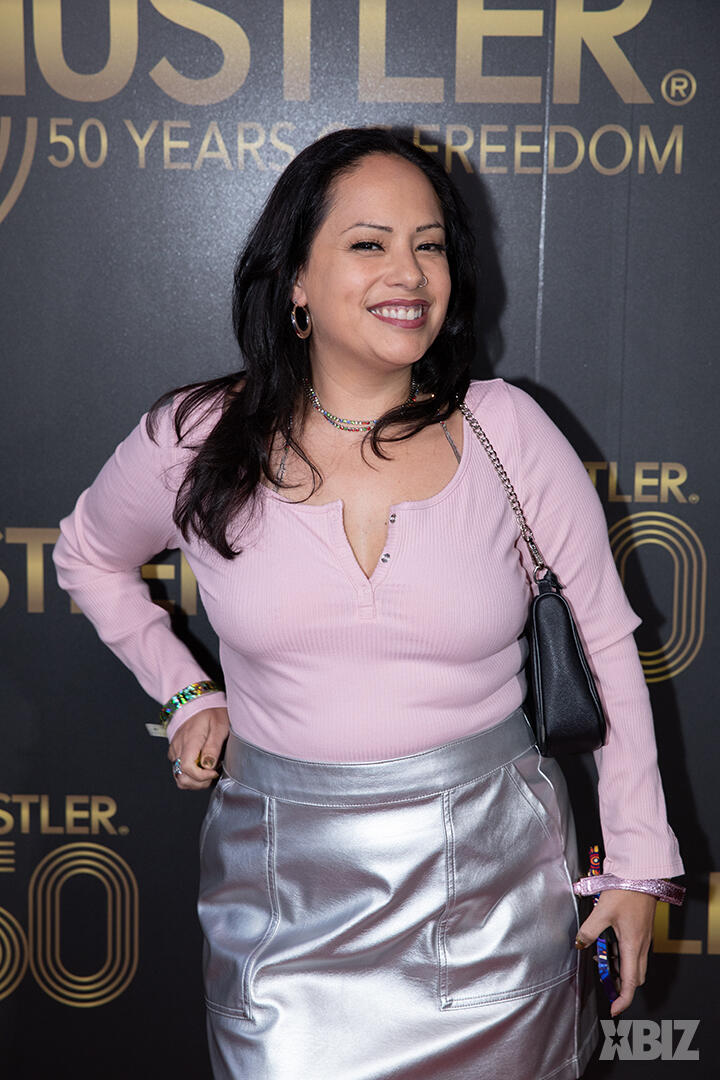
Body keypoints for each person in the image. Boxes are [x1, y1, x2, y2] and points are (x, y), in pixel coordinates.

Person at [53, 127, 685, 1080]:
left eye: (430, 245)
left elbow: (602, 639)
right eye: (368, 243)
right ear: (295, 281)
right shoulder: (196, 437)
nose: (410, 274)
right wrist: (186, 694)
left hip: (496, 891)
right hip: (282, 903)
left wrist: (636, 862)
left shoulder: (507, 430)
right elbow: (88, 555)